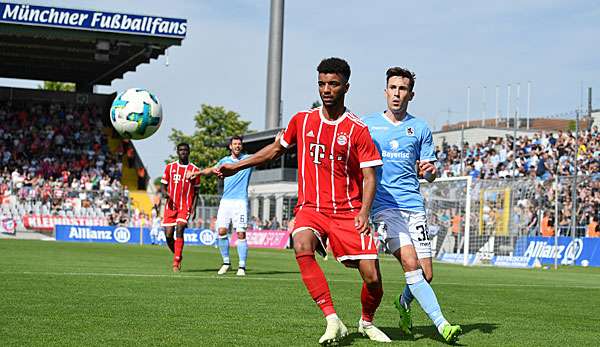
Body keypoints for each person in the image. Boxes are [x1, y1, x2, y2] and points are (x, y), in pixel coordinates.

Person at [217, 57, 391, 344]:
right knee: (301, 245)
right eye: (322, 83)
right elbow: (274, 150)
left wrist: (364, 211)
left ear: (345, 87)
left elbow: (370, 176)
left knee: (372, 278)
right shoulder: (303, 120)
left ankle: (366, 322)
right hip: (311, 207)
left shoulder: (357, 129)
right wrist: (237, 165)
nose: (326, 89)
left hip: (348, 211)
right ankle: (332, 319)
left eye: (333, 84)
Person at [363, 67, 462, 343]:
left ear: (411, 94)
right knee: (410, 262)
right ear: (385, 92)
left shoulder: (419, 128)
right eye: (392, 88)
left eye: (402, 89)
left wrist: (430, 171)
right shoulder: (368, 124)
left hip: (414, 206)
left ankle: (403, 303)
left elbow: (430, 172)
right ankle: (443, 325)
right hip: (384, 207)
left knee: (425, 274)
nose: (397, 93)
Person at [188, 136, 254, 276]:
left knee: (241, 233)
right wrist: (197, 173)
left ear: (241, 146)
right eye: (235, 144)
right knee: (222, 231)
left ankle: (242, 266)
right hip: (226, 201)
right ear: (230, 146)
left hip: (240, 201)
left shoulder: (248, 159)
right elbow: (212, 170)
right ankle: (226, 263)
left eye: (239, 144)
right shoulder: (224, 161)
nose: (237, 146)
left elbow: (266, 156)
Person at [161, 143, 204, 272]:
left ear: (189, 152)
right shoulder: (170, 167)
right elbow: (163, 186)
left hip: (185, 206)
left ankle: (176, 262)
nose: (183, 152)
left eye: (185, 150)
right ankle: (178, 253)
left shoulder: (194, 170)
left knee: (180, 228)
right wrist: (165, 194)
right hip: (170, 206)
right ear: (177, 152)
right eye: (181, 150)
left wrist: (194, 208)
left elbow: (196, 192)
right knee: (168, 235)